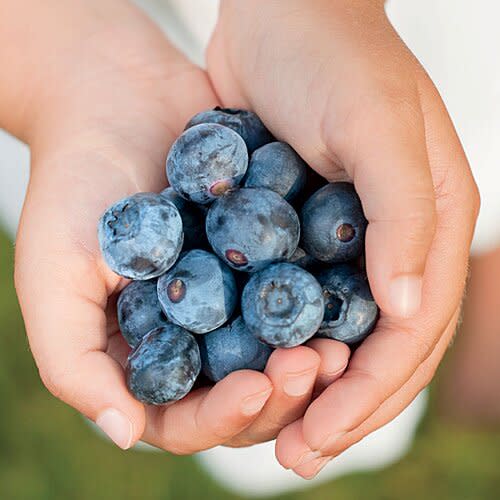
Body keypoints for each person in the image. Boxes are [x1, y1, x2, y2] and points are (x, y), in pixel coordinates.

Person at [0, 0, 481, 494]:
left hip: (336, 48)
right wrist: (60, 80)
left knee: (422, 168)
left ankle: (484, 264)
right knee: (400, 212)